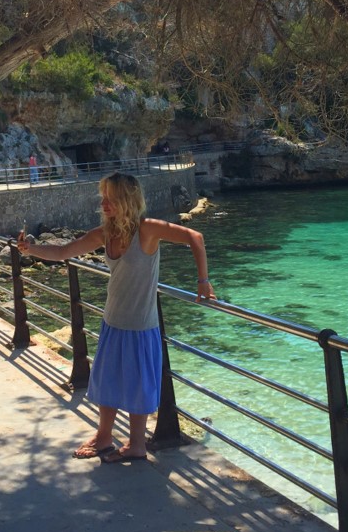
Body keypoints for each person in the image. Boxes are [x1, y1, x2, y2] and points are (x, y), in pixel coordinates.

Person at [17, 172, 216, 463]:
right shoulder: (104, 233)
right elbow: (63, 252)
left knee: (138, 385)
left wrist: (202, 281)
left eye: (110, 198)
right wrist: (30, 249)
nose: (103, 203)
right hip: (112, 321)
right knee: (106, 382)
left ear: (126, 199)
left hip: (140, 325)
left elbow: (194, 237)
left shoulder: (147, 230)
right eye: (103, 197)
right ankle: (104, 437)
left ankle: (136, 445)